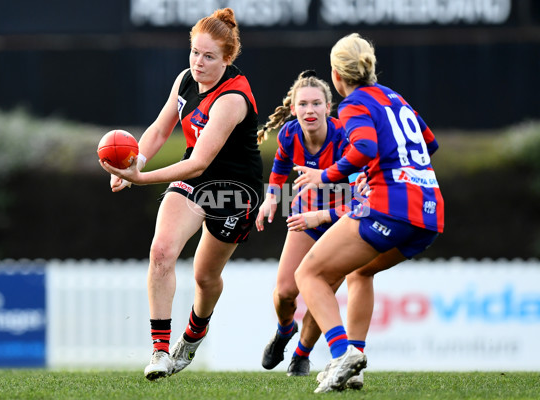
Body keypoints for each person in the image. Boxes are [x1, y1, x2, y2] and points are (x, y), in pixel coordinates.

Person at [99, 8, 263, 381]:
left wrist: (142, 179)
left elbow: (198, 164)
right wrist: (133, 161)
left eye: (209, 56)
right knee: (161, 252)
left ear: (227, 58)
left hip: (236, 189)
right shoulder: (185, 80)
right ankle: (159, 351)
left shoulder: (232, 99)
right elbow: (159, 130)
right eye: (194, 52)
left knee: (205, 278)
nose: (199, 63)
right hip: (196, 182)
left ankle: (192, 337)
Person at [292, 33, 444, 393]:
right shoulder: (395, 98)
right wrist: (391, 169)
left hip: (391, 206)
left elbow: (364, 147)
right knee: (360, 272)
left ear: (336, 75)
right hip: (429, 210)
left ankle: (341, 352)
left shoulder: (354, 103)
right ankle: (354, 365)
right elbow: (430, 142)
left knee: (309, 274)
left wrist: (325, 175)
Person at [255, 70, 358, 377]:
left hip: (343, 223)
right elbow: (279, 168)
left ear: (329, 107)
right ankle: (284, 331)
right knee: (285, 291)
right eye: (303, 104)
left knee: (319, 293)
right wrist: (272, 197)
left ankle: (302, 355)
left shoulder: (346, 138)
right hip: (305, 216)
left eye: (316, 104)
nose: (309, 110)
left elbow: (361, 200)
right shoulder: (289, 133)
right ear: (293, 108)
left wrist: (323, 215)